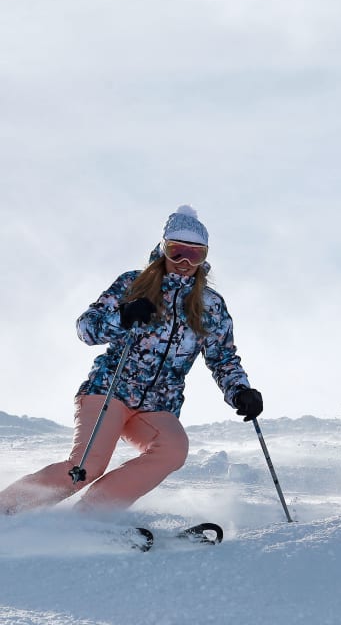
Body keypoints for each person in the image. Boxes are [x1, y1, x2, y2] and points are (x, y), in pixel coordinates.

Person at [0, 205, 263, 515]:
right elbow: (86, 328)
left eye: (195, 254)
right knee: (86, 466)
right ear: (163, 249)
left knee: (173, 450)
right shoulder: (134, 284)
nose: (184, 262)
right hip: (109, 390)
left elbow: (223, 359)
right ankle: (7, 508)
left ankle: (89, 517)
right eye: (176, 251)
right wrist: (122, 317)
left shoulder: (210, 306)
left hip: (157, 404)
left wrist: (240, 391)